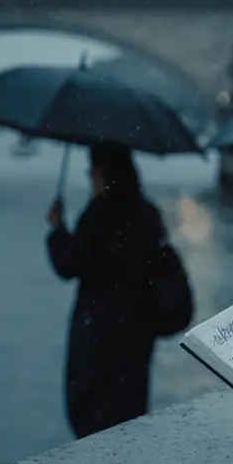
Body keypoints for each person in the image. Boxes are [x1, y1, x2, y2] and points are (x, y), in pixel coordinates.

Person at [46, 145, 167, 438]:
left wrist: (57, 229)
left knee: (91, 414)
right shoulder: (147, 212)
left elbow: (68, 264)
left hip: (98, 331)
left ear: (103, 173)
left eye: (93, 172)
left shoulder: (98, 214)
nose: (91, 179)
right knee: (128, 415)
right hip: (136, 331)